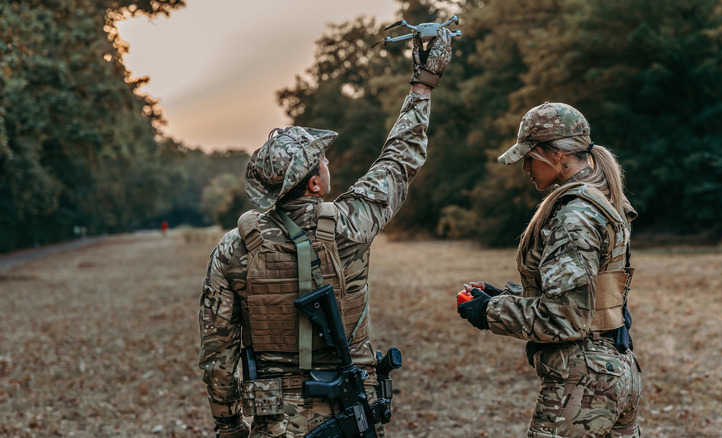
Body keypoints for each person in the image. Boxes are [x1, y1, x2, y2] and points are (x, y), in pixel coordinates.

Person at [199, 29, 452, 438]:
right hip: (346, 410)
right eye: (322, 161)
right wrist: (424, 84)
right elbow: (400, 159)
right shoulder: (351, 224)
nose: (328, 163)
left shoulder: (235, 246)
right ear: (314, 184)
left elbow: (217, 349)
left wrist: (228, 424)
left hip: (272, 416)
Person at [457, 102, 642, 437]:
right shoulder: (603, 200)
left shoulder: (575, 216)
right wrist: (507, 297)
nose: (525, 167)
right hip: (617, 370)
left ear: (558, 155)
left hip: (584, 384)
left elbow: (564, 319)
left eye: (530, 156)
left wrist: (489, 311)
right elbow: (589, 301)